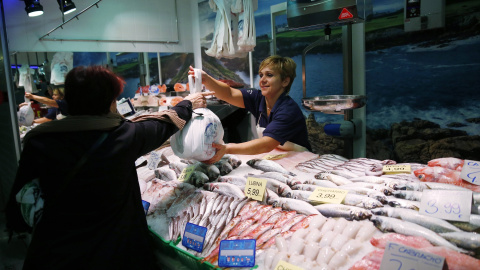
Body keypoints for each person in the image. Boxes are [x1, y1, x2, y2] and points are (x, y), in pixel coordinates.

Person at [6, 65, 208, 270]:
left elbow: (17, 210)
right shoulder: (123, 136)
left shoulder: (38, 141)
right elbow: (165, 124)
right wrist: (188, 103)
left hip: (56, 254)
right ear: (110, 101)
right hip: (115, 253)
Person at [190, 55, 312, 164]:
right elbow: (229, 93)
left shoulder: (288, 110)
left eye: (269, 75)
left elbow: (266, 144)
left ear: (285, 81)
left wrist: (228, 148)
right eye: (261, 75)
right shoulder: (258, 98)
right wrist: (206, 79)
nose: (262, 80)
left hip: (300, 160)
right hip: (276, 156)